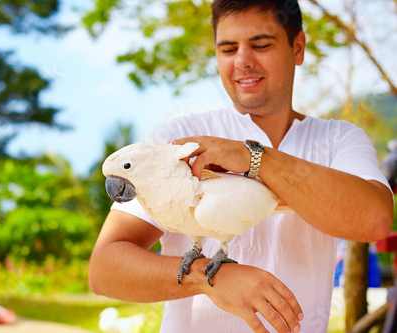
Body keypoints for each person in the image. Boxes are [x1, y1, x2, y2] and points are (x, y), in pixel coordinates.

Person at [88, 0, 394, 332]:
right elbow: (105, 270)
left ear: (298, 47)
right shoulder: (174, 141)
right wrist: (209, 278)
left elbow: (375, 220)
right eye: (228, 49)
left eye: (260, 45)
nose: (243, 62)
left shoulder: (339, 139)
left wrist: (253, 158)